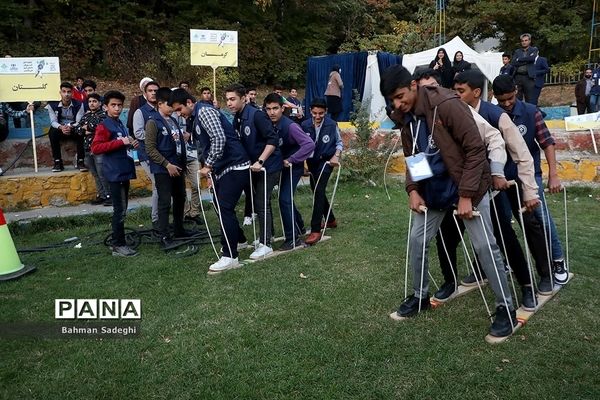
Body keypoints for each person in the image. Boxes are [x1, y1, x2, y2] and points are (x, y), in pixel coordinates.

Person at [380, 64, 516, 337]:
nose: (397, 103)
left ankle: (506, 308)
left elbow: (476, 148)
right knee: (417, 238)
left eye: (400, 96)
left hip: (468, 186)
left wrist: (465, 196)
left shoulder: (446, 103)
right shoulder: (405, 117)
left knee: (485, 246)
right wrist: (413, 190)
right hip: (434, 190)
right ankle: (420, 296)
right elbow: (414, 156)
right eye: (392, 100)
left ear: (413, 86)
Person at [451, 70, 552, 309]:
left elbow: (523, 155)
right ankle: (483, 269)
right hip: (485, 187)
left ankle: (539, 277)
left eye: (460, 91)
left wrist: (529, 191)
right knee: (495, 231)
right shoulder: (457, 113)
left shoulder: (496, 115)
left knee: (529, 227)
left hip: (510, 181)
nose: (455, 96)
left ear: (476, 92)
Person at [493, 74, 569, 286]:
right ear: (494, 97)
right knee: (501, 221)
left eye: (510, 98)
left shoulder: (530, 111)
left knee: (541, 218)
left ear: (516, 91)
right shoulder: (494, 114)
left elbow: (547, 143)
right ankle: (505, 262)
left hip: (529, 175)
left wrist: (553, 174)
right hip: (503, 178)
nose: (507, 104)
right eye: (502, 100)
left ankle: (557, 260)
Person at [170, 89, 251, 273]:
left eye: (180, 108)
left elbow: (219, 138)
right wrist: (209, 170)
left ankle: (230, 256)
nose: (178, 113)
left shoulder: (205, 111)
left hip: (235, 165)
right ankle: (239, 240)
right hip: (221, 168)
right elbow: (203, 147)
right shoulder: (192, 118)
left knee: (224, 208)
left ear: (190, 102)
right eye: (176, 110)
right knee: (218, 205)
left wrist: (208, 166)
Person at [226, 84, 283, 259]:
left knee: (261, 202)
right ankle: (269, 235)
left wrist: (260, 161)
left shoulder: (256, 115)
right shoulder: (237, 117)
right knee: (261, 201)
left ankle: (266, 244)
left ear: (244, 98)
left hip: (269, 165)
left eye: (233, 99)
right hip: (254, 167)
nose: (229, 103)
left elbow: (272, 139)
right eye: (227, 99)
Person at [263, 92, 315, 250]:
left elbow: (309, 144)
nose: (272, 112)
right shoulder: (270, 124)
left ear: (282, 108)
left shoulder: (290, 126)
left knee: (284, 199)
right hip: (281, 166)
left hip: (293, 166)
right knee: (285, 198)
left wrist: (291, 159)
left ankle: (292, 238)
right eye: (268, 109)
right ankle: (299, 227)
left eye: (275, 108)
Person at [91, 90, 139, 257]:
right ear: (105, 107)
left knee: (123, 209)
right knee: (119, 210)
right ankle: (118, 244)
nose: (117, 108)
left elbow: (121, 143)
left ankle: (119, 240)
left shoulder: (120, 124)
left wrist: (130, 143)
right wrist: (119, 142)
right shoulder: (104, 125)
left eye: (119, 105)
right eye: (113, 105)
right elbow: (96, 148)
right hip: (114, 173)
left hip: (124, 170)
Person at [145, 87, 189, 248]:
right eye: (169, 105)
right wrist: (166, 164)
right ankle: (164, 235)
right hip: (163, 169)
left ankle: (179, 229)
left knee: (180, 197)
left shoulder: (174, 120)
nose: (172, 108)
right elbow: (150, 148)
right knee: (164, 201)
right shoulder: (152, 122)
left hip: (177, 167)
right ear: (160, 103)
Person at [301, 98, 342, 245]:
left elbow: (339, 143)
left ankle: (315, 229)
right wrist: (302, 163)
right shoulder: (304, 124)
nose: (317, 116)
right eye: (314, 113)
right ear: (310, 111)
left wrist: (336, 156)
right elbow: (300, 144)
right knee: (316, 190)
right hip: (312, 162)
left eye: (321, 113)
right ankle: (331, 220)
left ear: (326, 112)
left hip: (326, 162)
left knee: (318, 190)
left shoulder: (332, 124)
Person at [132, 80, 160, 228]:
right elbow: (138, 133)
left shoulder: (162, 110)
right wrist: (157, 136)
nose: (154, 93)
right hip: (147, 154)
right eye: (150, 91)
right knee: (157, 185)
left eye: (156, 90)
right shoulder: (140, 112)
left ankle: (162, 217)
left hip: (162, 155)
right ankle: (155, 219)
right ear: (145, 93)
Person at [75, 93, 110, 206]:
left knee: (102, 173)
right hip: (87, 148)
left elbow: (100, 127)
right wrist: (88, 128)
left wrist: (88, 127)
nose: (92, 103)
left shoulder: (104, 115)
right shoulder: (86, 115)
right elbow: (77, 129)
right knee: (95, 173)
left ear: (100, 103)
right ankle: (101, 195)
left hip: (99, 148)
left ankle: (109, 196)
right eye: (90, 101)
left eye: (94, 101)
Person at [46, 81, 86, 172]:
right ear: (60, 93)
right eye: (64, 91)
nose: (66, 94)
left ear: (72, 93)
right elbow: (53, 121)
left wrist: (69, 126)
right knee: (52, 132)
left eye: (69, 92)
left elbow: (79, 121)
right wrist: (61, 127)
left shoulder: (79, 104)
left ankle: (80, 161)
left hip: (73, 127)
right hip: (60, 128)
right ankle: (57, 162)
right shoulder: (52, 105)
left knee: (82, 131)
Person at [511, 33, 538, 103]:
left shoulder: (534, 49)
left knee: (530, 99)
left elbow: (532, 59)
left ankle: (530, 113)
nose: (524, 42)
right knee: (517, 99)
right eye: (522, 41)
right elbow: (513, 63)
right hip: (518, 77)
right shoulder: (517, 51)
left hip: (528, 77)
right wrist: (526, 60)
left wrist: (519, 59)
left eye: (526, 40)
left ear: (529, 41)